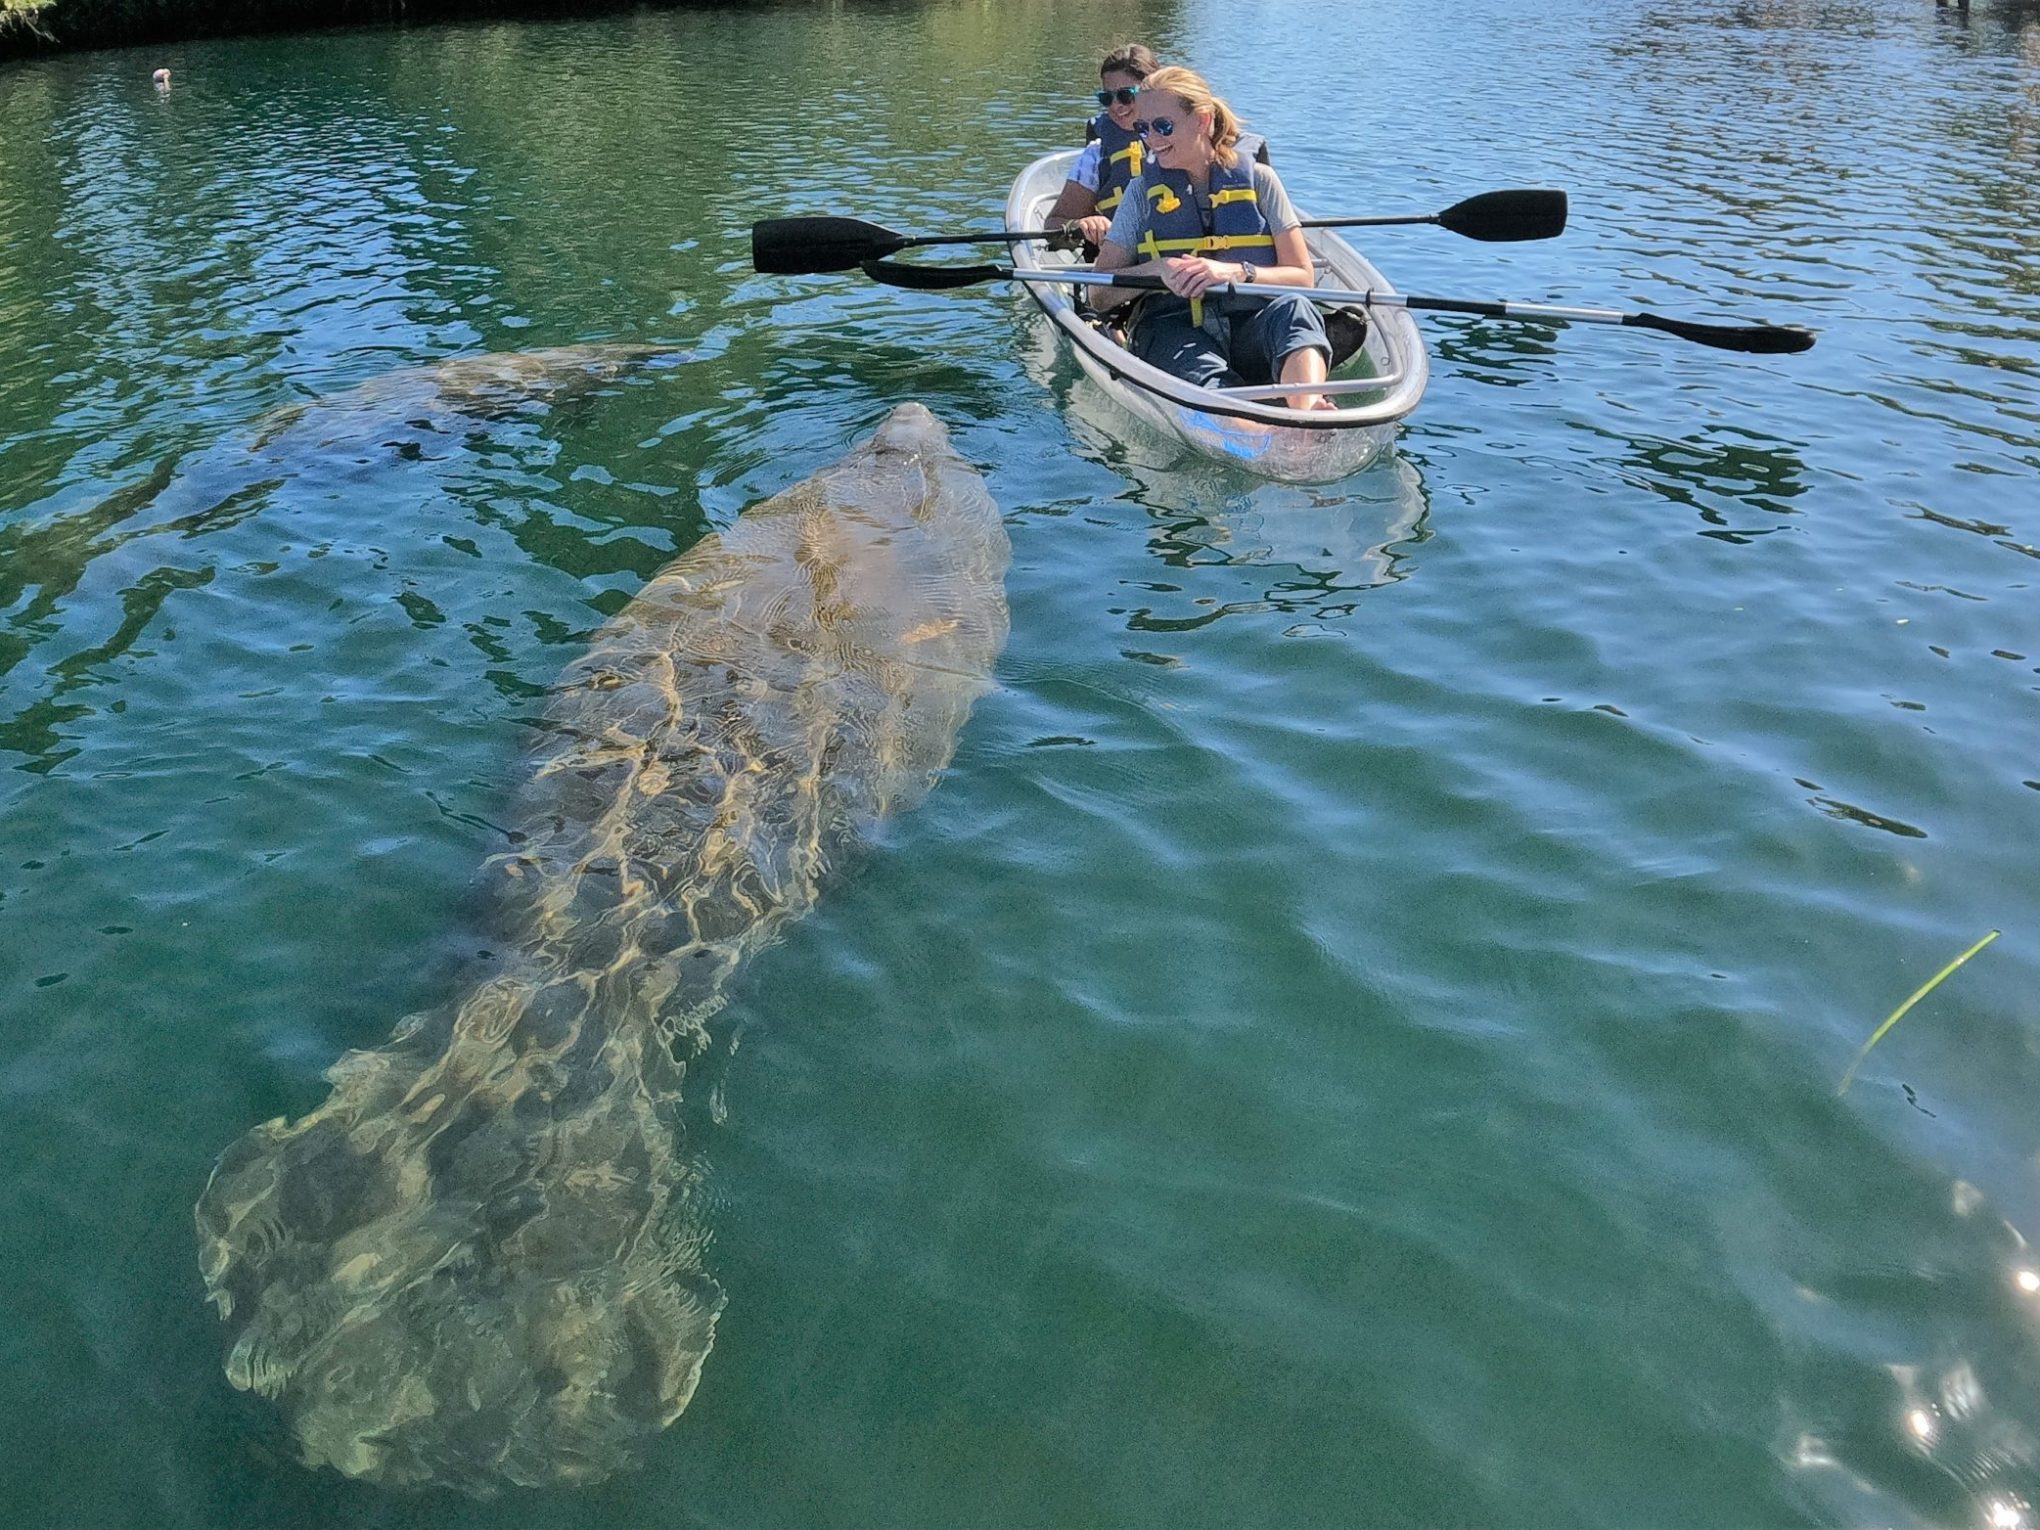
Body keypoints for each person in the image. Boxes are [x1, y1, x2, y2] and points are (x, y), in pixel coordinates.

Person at [1090, 66, 1332, 412]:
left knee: (1296, 309)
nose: (1152, 139)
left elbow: (1302, 278)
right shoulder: (1141, 192)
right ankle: (1253, 431)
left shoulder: (1260, 181)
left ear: (1202, 121)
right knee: (1204, 377)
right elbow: (1098, 294)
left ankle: (1306, 414)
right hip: (1173, 326)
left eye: (1163, 126)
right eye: (1143, 128)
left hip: (1251, 326)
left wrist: (1237, 272)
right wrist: (1158, 269)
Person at [1045, 44, 1160, 251]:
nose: (1116, 105)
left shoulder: (1187, 141)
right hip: (1121, 266)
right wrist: (1080, 225)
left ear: (1153, 91)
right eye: (1107, 98)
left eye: (1126, 95)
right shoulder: (1097, 154)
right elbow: (1054, 226)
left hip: (1184, 266)